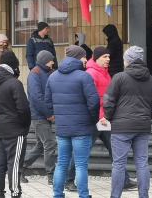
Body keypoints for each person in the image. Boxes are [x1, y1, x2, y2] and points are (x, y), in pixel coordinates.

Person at [103, 46, 152, 198]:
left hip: (121, 127)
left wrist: (110, 118)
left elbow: (108, 101)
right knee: (142, 163)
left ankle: (115, 196)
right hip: (142, 126)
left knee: (118, 164)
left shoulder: (119, 78)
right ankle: (144, 195)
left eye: (124, 59)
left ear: (128, 60)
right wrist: (148, 115)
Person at [45, 45, 100, 198]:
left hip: (62, 128)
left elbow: (47, 102)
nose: (86, 60)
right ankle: (83, 195)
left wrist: (56, 115)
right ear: (78, 57)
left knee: (61, 163)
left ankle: (57, 194)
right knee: (81, 164)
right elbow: (94, 101)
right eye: (84, 57)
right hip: (82, 128)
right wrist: (93, 118)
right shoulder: (84, 76)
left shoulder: (53, 76)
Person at [86, 46, 137, 190]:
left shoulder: (105, 73)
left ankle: (124, 181)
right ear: (96, 58)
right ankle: (69, 179)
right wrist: (100, 116)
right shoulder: (91, 74)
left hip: (105, 120)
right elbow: (92, 100)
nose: (108, 59)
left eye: (109, 56)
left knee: (116, 150)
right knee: (83, 150)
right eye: (105, 57)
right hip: (96, 120)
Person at [0, 51, 31, 198]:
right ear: (13, 65)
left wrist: (1, 119)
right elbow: (24, 109)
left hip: (0, 128)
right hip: (15, 130)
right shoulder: (15, 83)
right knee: (15, 163)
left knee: (0, 164)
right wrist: (24, 127)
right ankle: (15, 193)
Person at [21, 50, 56, 185]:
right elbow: (36, 98)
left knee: (40, 145)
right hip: (39, 116)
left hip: (44, 115)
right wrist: (49, 114)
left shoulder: (48, 72)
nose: (53, 62)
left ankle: (20, 168)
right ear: (45, 60)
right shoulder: (34, 74)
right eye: (51, 60)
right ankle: (51, 175)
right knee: (50, 143)